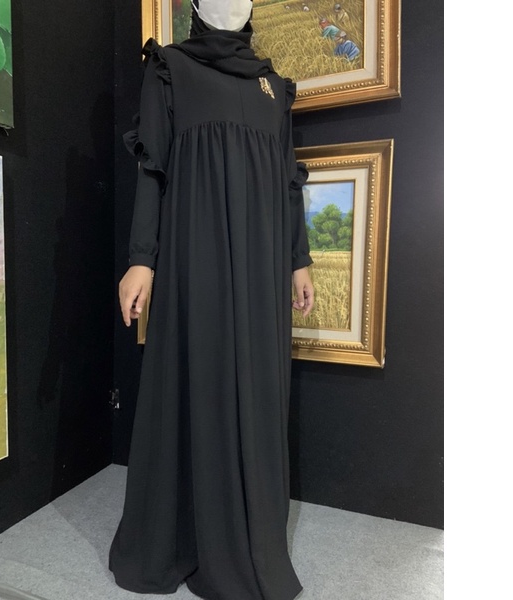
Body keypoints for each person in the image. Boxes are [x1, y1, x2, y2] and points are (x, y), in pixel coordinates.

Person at [109, 1, 314, 599]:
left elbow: (287, 182)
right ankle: (184, 536)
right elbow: (153, 169)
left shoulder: (273, 88)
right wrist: (141, 258)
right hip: (194, 258)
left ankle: (248, 537)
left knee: (256, 386)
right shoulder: (170, 69)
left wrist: (299, 259)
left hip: (262, 268)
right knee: (196, 378)